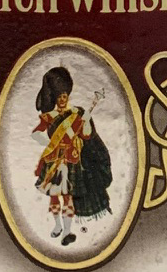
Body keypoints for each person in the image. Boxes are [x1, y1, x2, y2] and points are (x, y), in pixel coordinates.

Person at [32, 66, 112, 246]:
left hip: (73, 161)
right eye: (59, 96)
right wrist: (50, 145)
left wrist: (86, 125)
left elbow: (87, 135)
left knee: (68, 197)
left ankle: (67, 231)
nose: (62, 99)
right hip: (55, 161)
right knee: (55, 196)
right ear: (54, 98)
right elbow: (36, 134)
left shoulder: (77, 113)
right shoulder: (50, 117)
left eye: (64, 96)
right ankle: (57, 226)